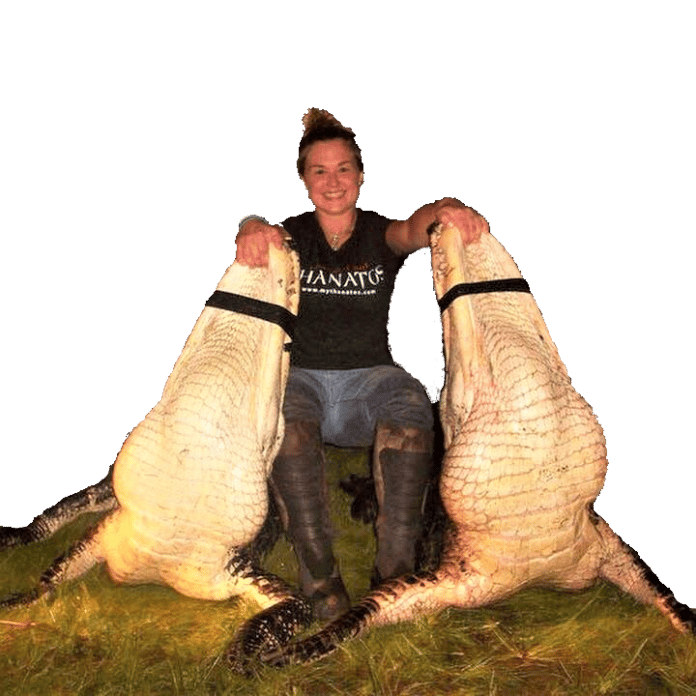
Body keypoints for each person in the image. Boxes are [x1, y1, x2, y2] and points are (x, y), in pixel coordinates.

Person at [235, 109, 487, 620]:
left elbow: (419, 227)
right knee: (284, 421)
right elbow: (252, 226)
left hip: (372, 378)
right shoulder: (292, 235)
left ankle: (393, 574)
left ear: (361, 175)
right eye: (319, 171)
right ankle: (320, 577)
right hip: (301, 377)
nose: (333, 182)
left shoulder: (380, 233)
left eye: (344, 169)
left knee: (412, 408)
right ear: (304, 180)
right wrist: (250, 224)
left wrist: (449, 206)